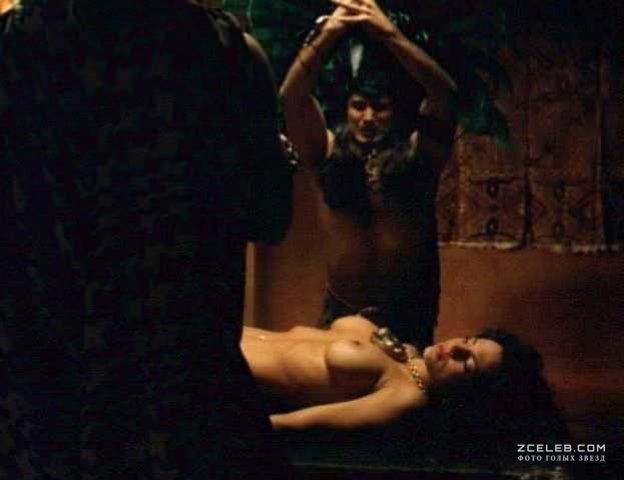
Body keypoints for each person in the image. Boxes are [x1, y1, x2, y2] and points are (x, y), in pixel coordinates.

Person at [1, 1, 294, 478]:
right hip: (181, 404)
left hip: (44, 409)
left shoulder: (15, 50)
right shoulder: (223, 55)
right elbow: (270, 216)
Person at [280, 0, 457, 350]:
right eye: (359, 106)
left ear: (396, 110)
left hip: (407, 315)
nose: (369, 118)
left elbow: (445, 95)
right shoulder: (326, 151)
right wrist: (328, 34)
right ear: (345, 108)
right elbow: (291, 99)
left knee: (408, 384)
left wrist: (390, 34)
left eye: (381, 107)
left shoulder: (418, 155)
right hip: (341, 312)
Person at [241, 314, 561, 435]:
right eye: (467, 341)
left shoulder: (407, 395)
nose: (454, 348)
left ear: (469, 394)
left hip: (224, 370)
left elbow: (307, 421)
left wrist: (244, 427)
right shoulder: (405, 352)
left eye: (467, 363)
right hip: (230, 331)